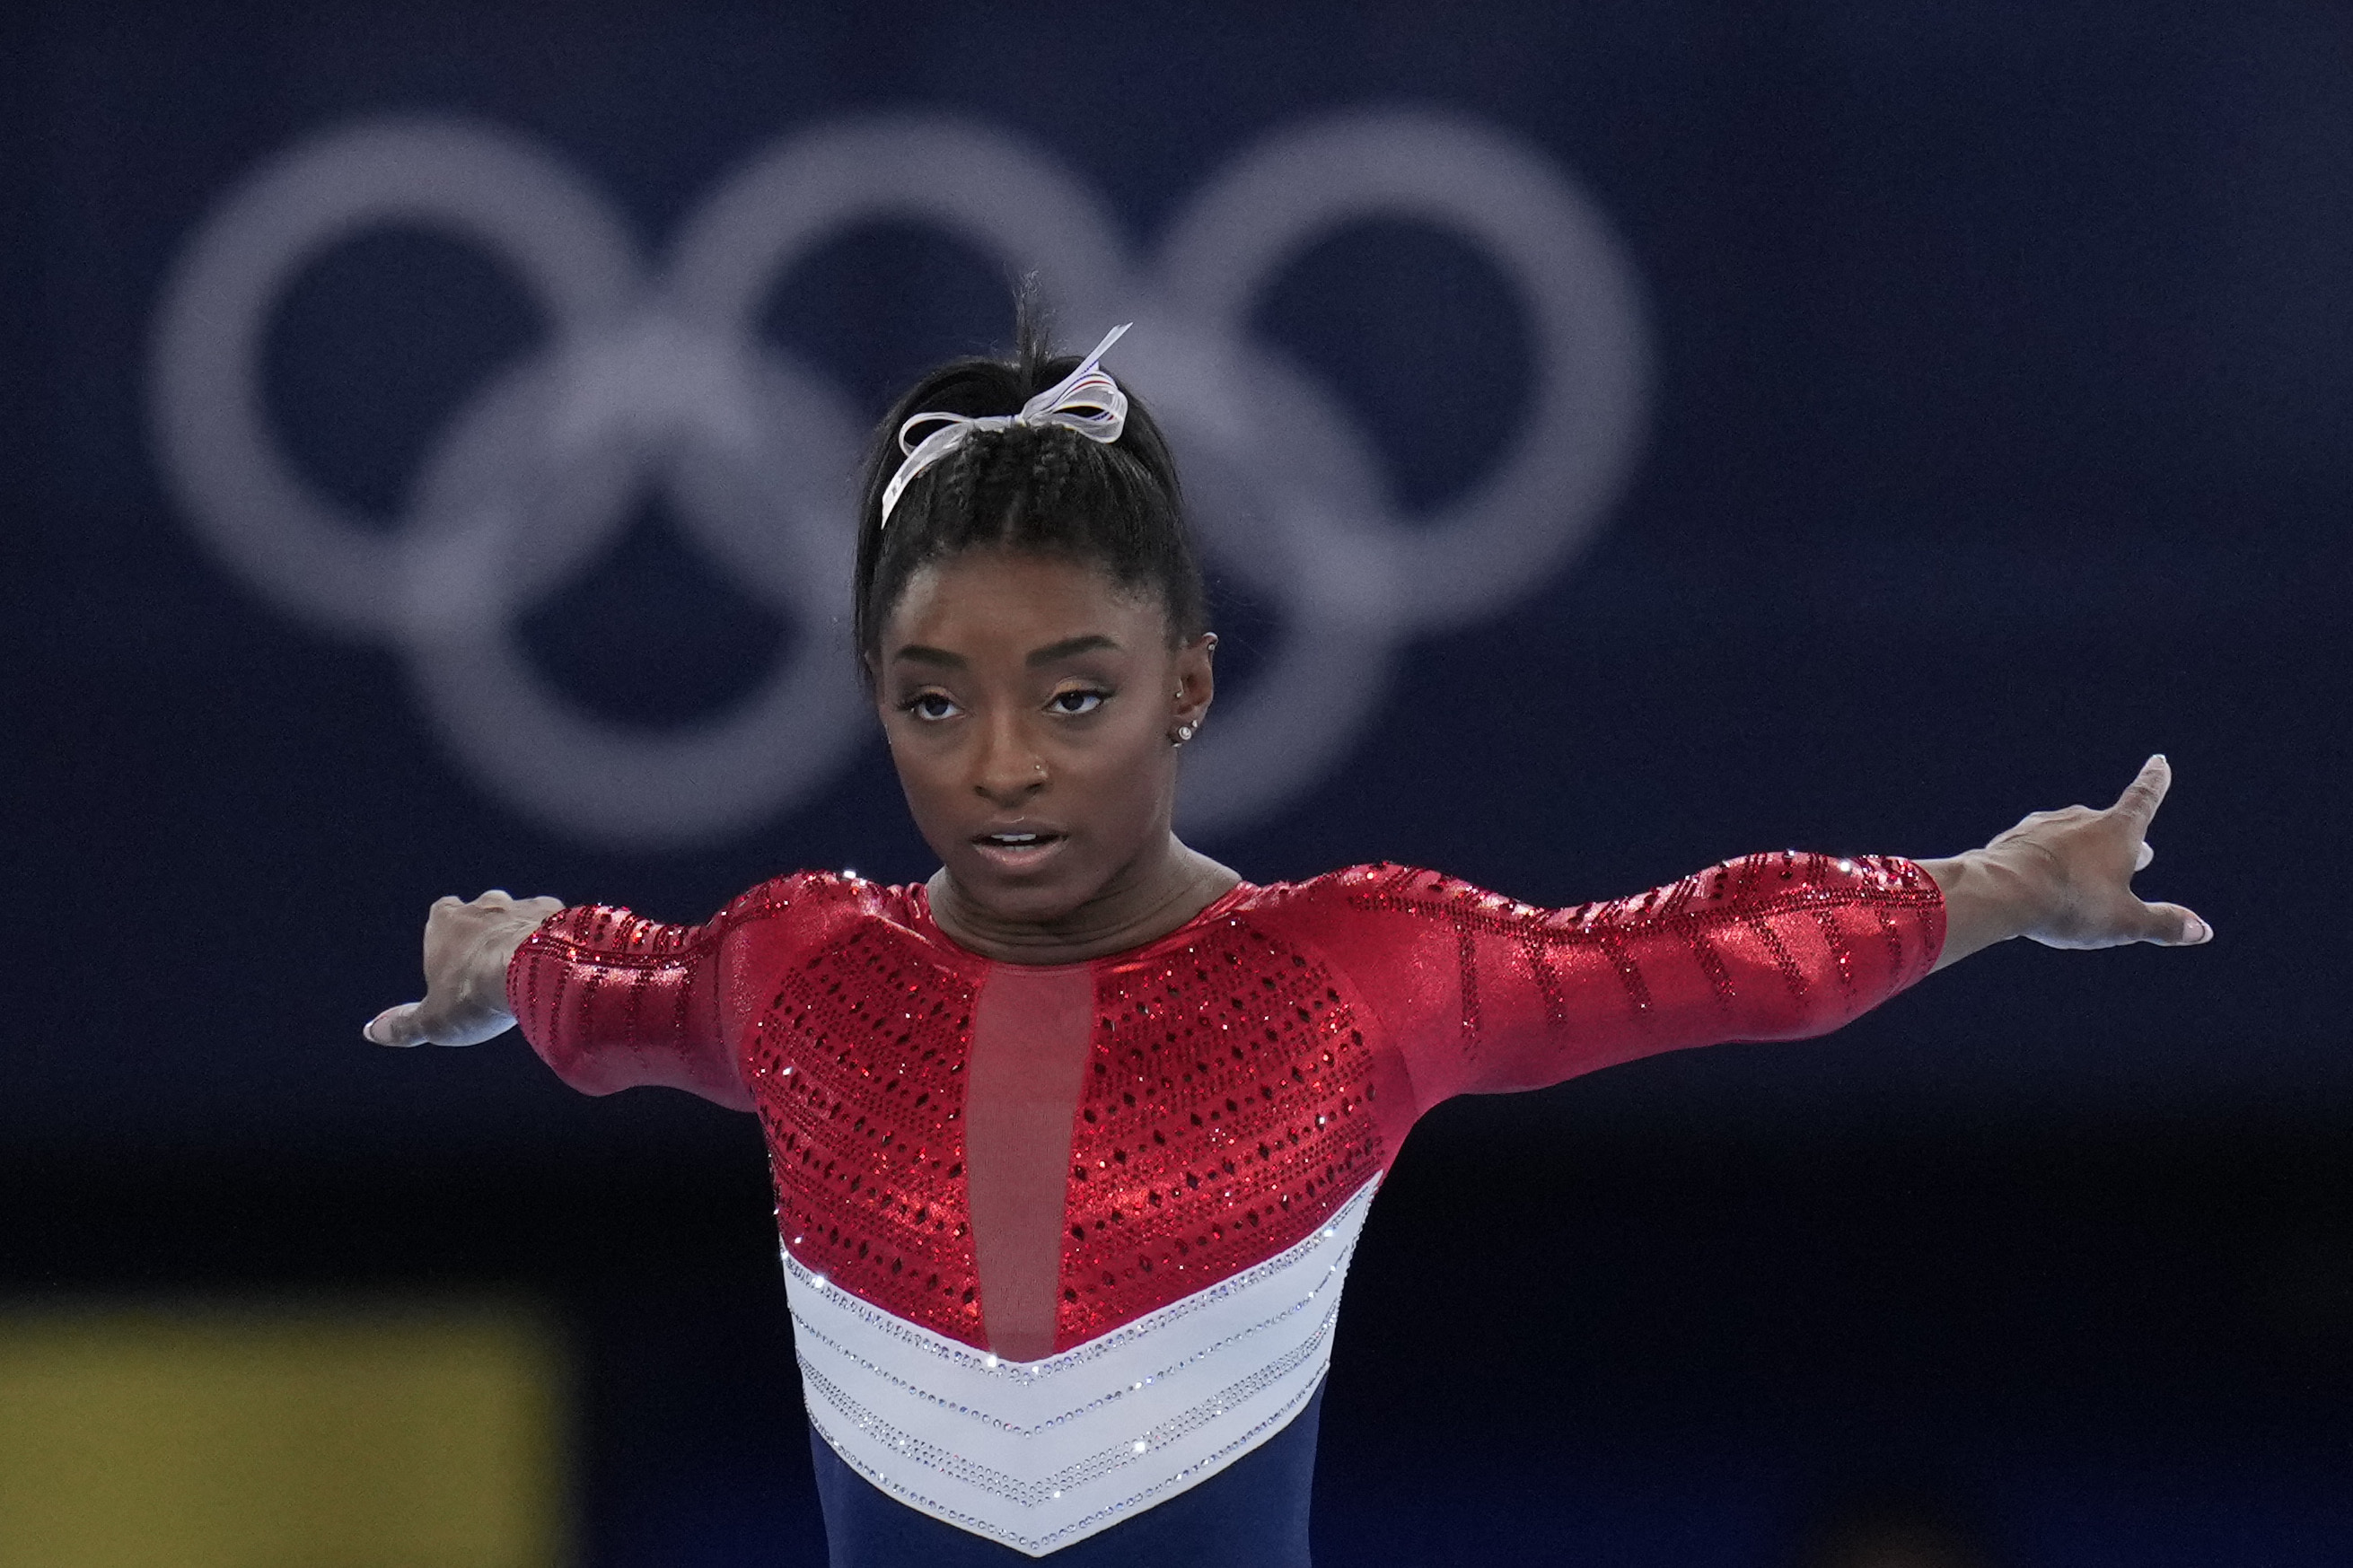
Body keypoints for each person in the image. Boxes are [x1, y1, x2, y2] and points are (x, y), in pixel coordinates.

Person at [364, 316, 2208, 1566]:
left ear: (1186, 682)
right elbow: (608, 988)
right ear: (872, 692)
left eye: (1072, 696)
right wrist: (495, 969)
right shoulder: (807, 974)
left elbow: (1710, 955)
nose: (1001, 764)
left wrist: (1998, 886)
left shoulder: (1350, 974)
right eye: (935, 702)